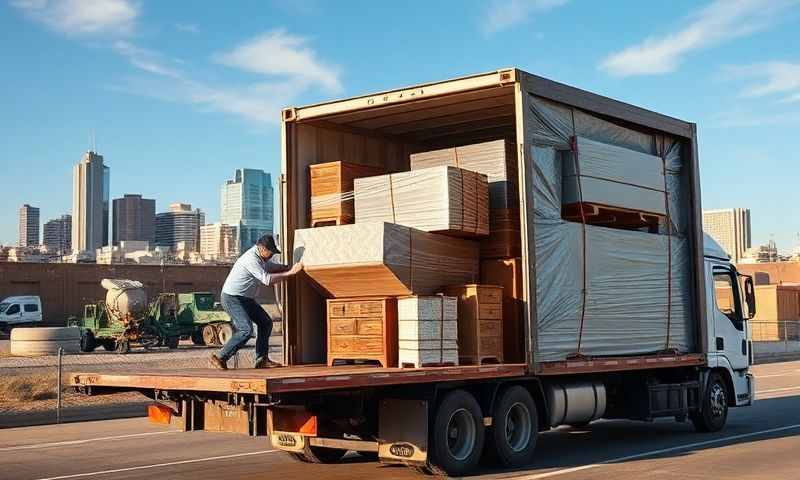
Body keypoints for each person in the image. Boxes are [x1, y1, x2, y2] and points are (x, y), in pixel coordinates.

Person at [210, 234, 302, 369]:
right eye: (269, 252)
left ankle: (261, 360)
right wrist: (291, 273)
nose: (271, 255)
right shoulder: (251, 259)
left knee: (265, 323)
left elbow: (269, 267)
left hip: (245, 298)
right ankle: (220, 357)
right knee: (246, 329)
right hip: (232, 298)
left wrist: (286, 267)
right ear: (260, 248)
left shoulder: (260, 258)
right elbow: (267, 279)